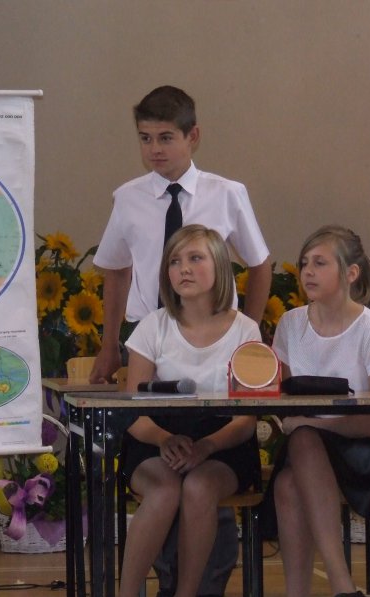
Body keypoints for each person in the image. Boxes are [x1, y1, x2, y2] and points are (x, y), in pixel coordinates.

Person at [268, 225, 370, 597]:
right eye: (304, 263)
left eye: (320, 263)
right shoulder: (290, 324)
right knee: (289, 478)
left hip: (365, 448)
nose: (307, 272)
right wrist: (302, 423)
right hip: (308, 448)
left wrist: (313, 424)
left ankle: (339, 585)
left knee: (303, 441)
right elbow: (281, 399)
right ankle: (324, 592)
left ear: (351, 273)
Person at [90, 84, 271, 385]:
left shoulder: (227, 193)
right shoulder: (127, 198)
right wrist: (109, 344)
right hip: (148, 333)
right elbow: (117, 270)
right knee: (146, 408)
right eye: (145, 138)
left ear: (192, 136)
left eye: (166, 138)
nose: (154, 149)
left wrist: (245, 333)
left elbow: (259, 264)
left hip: (216, 333)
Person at [119, 224, 261, 597]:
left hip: (223, 443)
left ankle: (186, 594)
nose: (183, 268)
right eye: (175, 261)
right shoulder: (152, 327)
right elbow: (133, 412)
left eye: (195, 258)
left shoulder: (246, 331)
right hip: (157, 439)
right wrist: (165, 439)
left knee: (199, 487)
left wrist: (207, 447)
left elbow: (246, 419)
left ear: (219, 266)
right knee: (164, 491)